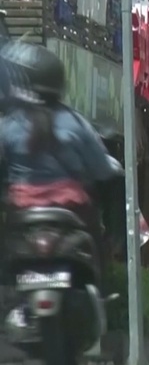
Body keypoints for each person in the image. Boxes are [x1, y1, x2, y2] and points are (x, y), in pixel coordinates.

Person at [0, 42, 119, 285]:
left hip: (21, 214)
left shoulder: (9, 124)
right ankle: (102, 288)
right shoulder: (75, 123)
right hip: (72, 215)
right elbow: (103, 171)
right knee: (98, 247)